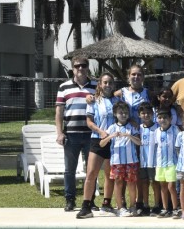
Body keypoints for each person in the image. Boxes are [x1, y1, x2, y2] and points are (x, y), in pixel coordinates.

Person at [55, 56, 96, 212]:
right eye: (77, 66)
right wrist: (59, 133)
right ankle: (70, 199)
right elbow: (59, 112)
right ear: (72, 68)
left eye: (83, 65)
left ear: (87, 67)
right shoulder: (64, 87)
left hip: (90, 135)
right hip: (71, 134)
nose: (80, 68)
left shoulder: (95, 86)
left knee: (91, 170)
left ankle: (90, 201)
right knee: (69, 169)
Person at [76, 73, 116, 219]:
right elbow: (89, 122)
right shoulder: (93, 101)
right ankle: (86, 206)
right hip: (97, 140)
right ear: (99, 84)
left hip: (114, 142)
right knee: (91, 173)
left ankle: (107, 203)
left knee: (109, 175)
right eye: (105, 82)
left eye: (110, 82)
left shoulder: (118, 100)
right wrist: (100, 131)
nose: (108, 85)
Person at [99, 100, 141, 218]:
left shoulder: (131, 127)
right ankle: (120, 207)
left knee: (132, 184)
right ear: (115, 114)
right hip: (117, 161)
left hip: (131, 160)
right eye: (120, 113)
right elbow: (101, 144)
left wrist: (129, 136)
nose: (123, 115)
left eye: (125, 113)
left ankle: (133, 206)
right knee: (118, 183)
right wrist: (111, 136)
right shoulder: (111, 128)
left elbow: (139, 142)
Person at [153, 109, 180, 218]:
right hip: (160, 163)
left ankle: (175, 208)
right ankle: (165, 208)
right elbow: (156, 146)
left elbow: (179, 146)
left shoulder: (175, 130)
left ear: (170, 119)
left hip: (172, 162)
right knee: (163, 187)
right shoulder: (156, 131)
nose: (162, 120)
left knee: (171, 186)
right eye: (160, 118)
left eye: (165, 118)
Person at [135, 102, 159, 216]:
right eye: (143, 113)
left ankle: (157, 205)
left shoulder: (158, 127)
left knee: (155, 182)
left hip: (154, 161)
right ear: (139, 115)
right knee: (144, 182)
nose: (146, 115)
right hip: (142, 161)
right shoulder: (138, 128)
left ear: (152, 114)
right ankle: (145, 205)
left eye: (148, 113)